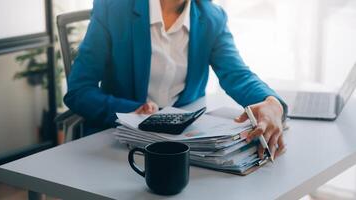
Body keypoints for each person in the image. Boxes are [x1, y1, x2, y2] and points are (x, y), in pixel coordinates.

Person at [64, 0, 288, 159]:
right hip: (118, 142)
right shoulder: (113, 8)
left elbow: (237, 75)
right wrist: (135, 111)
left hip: (184, 144)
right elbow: (79, 91)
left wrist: (271, 102)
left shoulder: (212, 17)